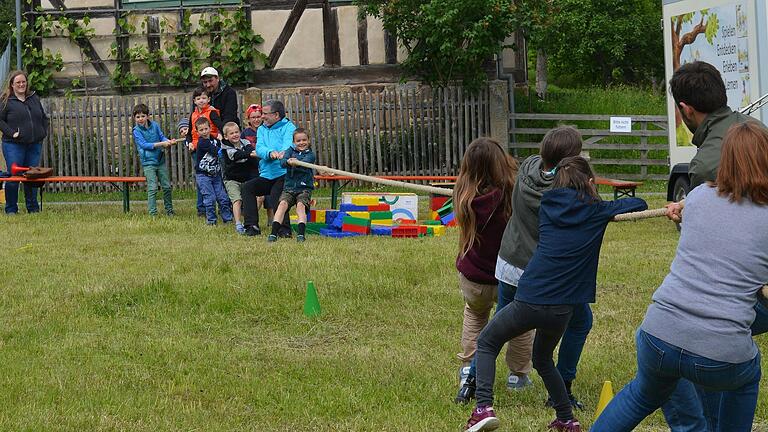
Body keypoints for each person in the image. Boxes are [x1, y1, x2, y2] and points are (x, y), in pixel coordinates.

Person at [591, 121, 768, 432]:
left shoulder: (698, 197)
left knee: (640, 395)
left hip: (658, 335)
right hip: (721, 355)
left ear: (724, 160)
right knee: (747, 374)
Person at [464, 156, 647, 432]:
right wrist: (599, 200)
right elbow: (638, 204)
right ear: (588, 183)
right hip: (563, 309)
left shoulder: (547, 205)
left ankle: (483, 409)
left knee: (488, 341)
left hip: (531, 299)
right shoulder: (597, 210)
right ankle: (566, 419)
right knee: (543, 359)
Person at [664, 60, 767, 432]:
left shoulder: (708, 163)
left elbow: (712, 244)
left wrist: (687, 217)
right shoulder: (757, 129)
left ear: (686, 110)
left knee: (678, 341)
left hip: (755, 289)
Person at [456, 126, 585, 405]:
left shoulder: (527, 169)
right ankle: (561, 386)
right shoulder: (566, 193)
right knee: (580, 321)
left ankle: (470, 382)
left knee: (498, 326)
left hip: (509, 265)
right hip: (541, 273)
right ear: (571, 161)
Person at [451, 137, 533, 405]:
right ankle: (518, 375)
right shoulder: (513, 195)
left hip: (474, 278)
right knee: (519, 325)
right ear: (501, 163)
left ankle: (468, 369)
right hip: (507, 277)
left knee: (475, 315)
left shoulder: (463, 196)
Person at [241, 100, 297, 237]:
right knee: (247, 188)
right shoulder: (262, 129)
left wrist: (284, 152)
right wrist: (270, 152)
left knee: (275, 196)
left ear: (276, 115)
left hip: (283, 173)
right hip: (266, 175)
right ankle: (251, 226)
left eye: (265, 113)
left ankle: (284, 229)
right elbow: (259, 148)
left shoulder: (289, 127)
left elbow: (289, 144)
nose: (262, 116)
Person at [0, 70, 49, 214]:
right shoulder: (6, 101)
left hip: (34, 145)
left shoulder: (33, 98)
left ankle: (33, 208)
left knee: (32, 176)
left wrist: (42, 132)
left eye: (23, 82)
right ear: (12, 85)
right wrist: (12, 133)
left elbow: (43, 117)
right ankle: (11, 209)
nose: (21, 85)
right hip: (13, 146)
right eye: (18, 82)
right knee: (13, 178)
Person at [267, 128, 316, 243]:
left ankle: (300, 235)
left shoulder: (311, 154)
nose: (301, 143)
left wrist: (295, 161)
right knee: (282, 205)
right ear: (294, 142)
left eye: (304, 140)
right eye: (298, 141)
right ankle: (273, 234)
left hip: (304, 188)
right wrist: (288, 161)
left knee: (300, 207)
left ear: (308, 141)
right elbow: (282, 162)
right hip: (289, 187)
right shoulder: (289, 151)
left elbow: (305, 163)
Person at [131, 103, 175, 216]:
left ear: (148, 116)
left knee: (166, 186)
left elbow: (162, 137)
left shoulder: (155, 125)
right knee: (152, 188)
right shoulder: (136, 131)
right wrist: (161, 143)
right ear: (134, 118)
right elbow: (144, 145)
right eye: (138, 117)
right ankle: (152, 213)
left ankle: (169, 211)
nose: (140, 119)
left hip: (160, 160)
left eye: (143, 116)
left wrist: (168, 141)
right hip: (148, 163)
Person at [220, 121, 259, 234]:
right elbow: (239, 155)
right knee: (237, 200)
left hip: (245, 177)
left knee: (252, 199)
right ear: (226, 136)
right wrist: (248, 153)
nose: (235, 135)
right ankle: (238, 224)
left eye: (237, 132)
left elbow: (250, 150)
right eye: (231, 133)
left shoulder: (245, 141)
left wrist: (249, 152)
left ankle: (249, 220)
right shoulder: (226, 148)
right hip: (231, 179)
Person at [193, 117, 233, 225]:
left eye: (206, 129)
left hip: (216, 174)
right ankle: (211, 221)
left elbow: (221, 145)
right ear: (197, 132)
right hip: (203, 175)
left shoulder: (215, 140)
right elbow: (216, 151)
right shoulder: (202, 143)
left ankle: (228, 219)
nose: (204, 132)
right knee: (210, 198)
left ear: (210, 128)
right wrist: (228, 152)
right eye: (201, 130)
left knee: (223, 197)